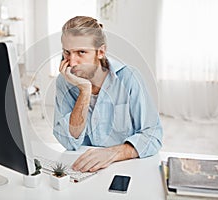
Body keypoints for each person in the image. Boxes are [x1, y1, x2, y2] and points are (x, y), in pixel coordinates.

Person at [53, 16, 163, 173]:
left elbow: (153, 136)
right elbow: (69, 141)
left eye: (81, 52)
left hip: (125, 167)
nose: (72, 62)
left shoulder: (129, 78)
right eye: (67, 53)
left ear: (101, 52)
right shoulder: (64, 82)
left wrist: (112, 153)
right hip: (82, 169)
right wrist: (85, 90)